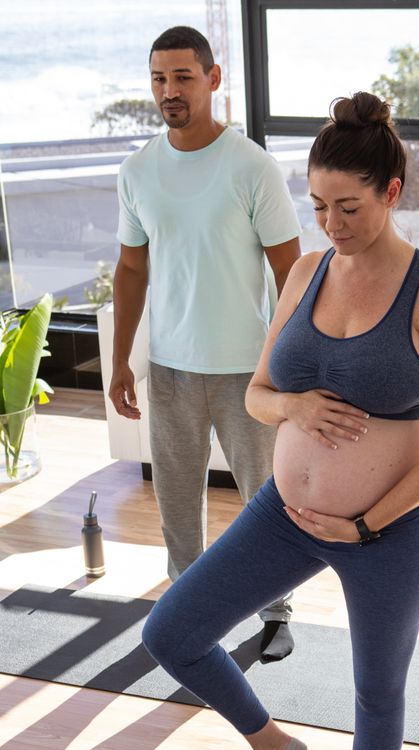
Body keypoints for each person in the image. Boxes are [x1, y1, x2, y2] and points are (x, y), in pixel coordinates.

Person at [142, 91, 419, 750]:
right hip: (284, 517)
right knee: (172, 631)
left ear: (393, 193)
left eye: (349, 207)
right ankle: (270, 744)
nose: (330, 222)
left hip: (386, 532)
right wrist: (292, 405)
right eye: (319, 204)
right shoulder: (304, 272)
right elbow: (259, 392)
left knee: (377, 690)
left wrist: (365, 522)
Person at [108, 25, 301, 662]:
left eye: (183, 77)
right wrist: (120, 363)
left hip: (248, 370)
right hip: (169, 368)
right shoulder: (138, 171)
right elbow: (132, 271)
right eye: (159, 78)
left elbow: (291, 273)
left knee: (264, 501)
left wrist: (288, 365)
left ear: (213, 80)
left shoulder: (251, 166)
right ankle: (187, 614)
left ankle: (276, 610)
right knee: (177, 502)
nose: (170, 91)